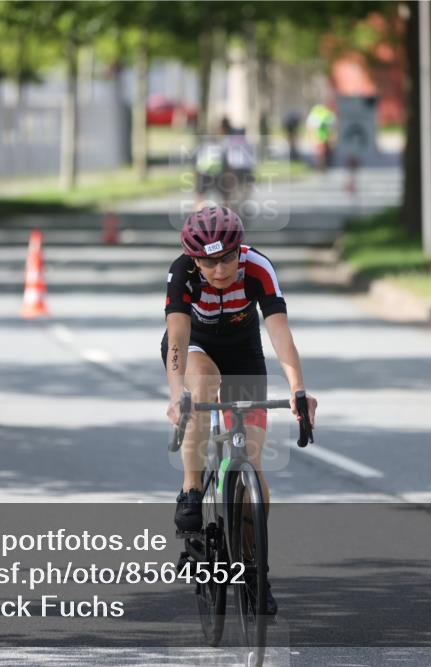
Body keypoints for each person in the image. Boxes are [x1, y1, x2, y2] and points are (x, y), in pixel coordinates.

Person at [162, 206, 318, 615]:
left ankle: (254, 571)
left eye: (227, 258)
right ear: (195, 260)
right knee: (203, 384)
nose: (219, 269)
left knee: (250, 460)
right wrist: (178, 395)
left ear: (239, 250)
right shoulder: (182, 273)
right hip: (196, 347)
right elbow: (176, 338)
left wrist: (298, 389)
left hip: (243, 351)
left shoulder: (258, 267)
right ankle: (192, 488)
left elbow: (280, 332)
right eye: (209, 262)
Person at [305, 103, 335, 171]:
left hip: (318, 137)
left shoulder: (316, 115)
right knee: (322, 153)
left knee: (320, 153)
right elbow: (331, 128)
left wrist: (310, 137)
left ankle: (321, 166)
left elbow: (310, 128)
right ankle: (322, 166)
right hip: (323, 137)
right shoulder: (326, 115)